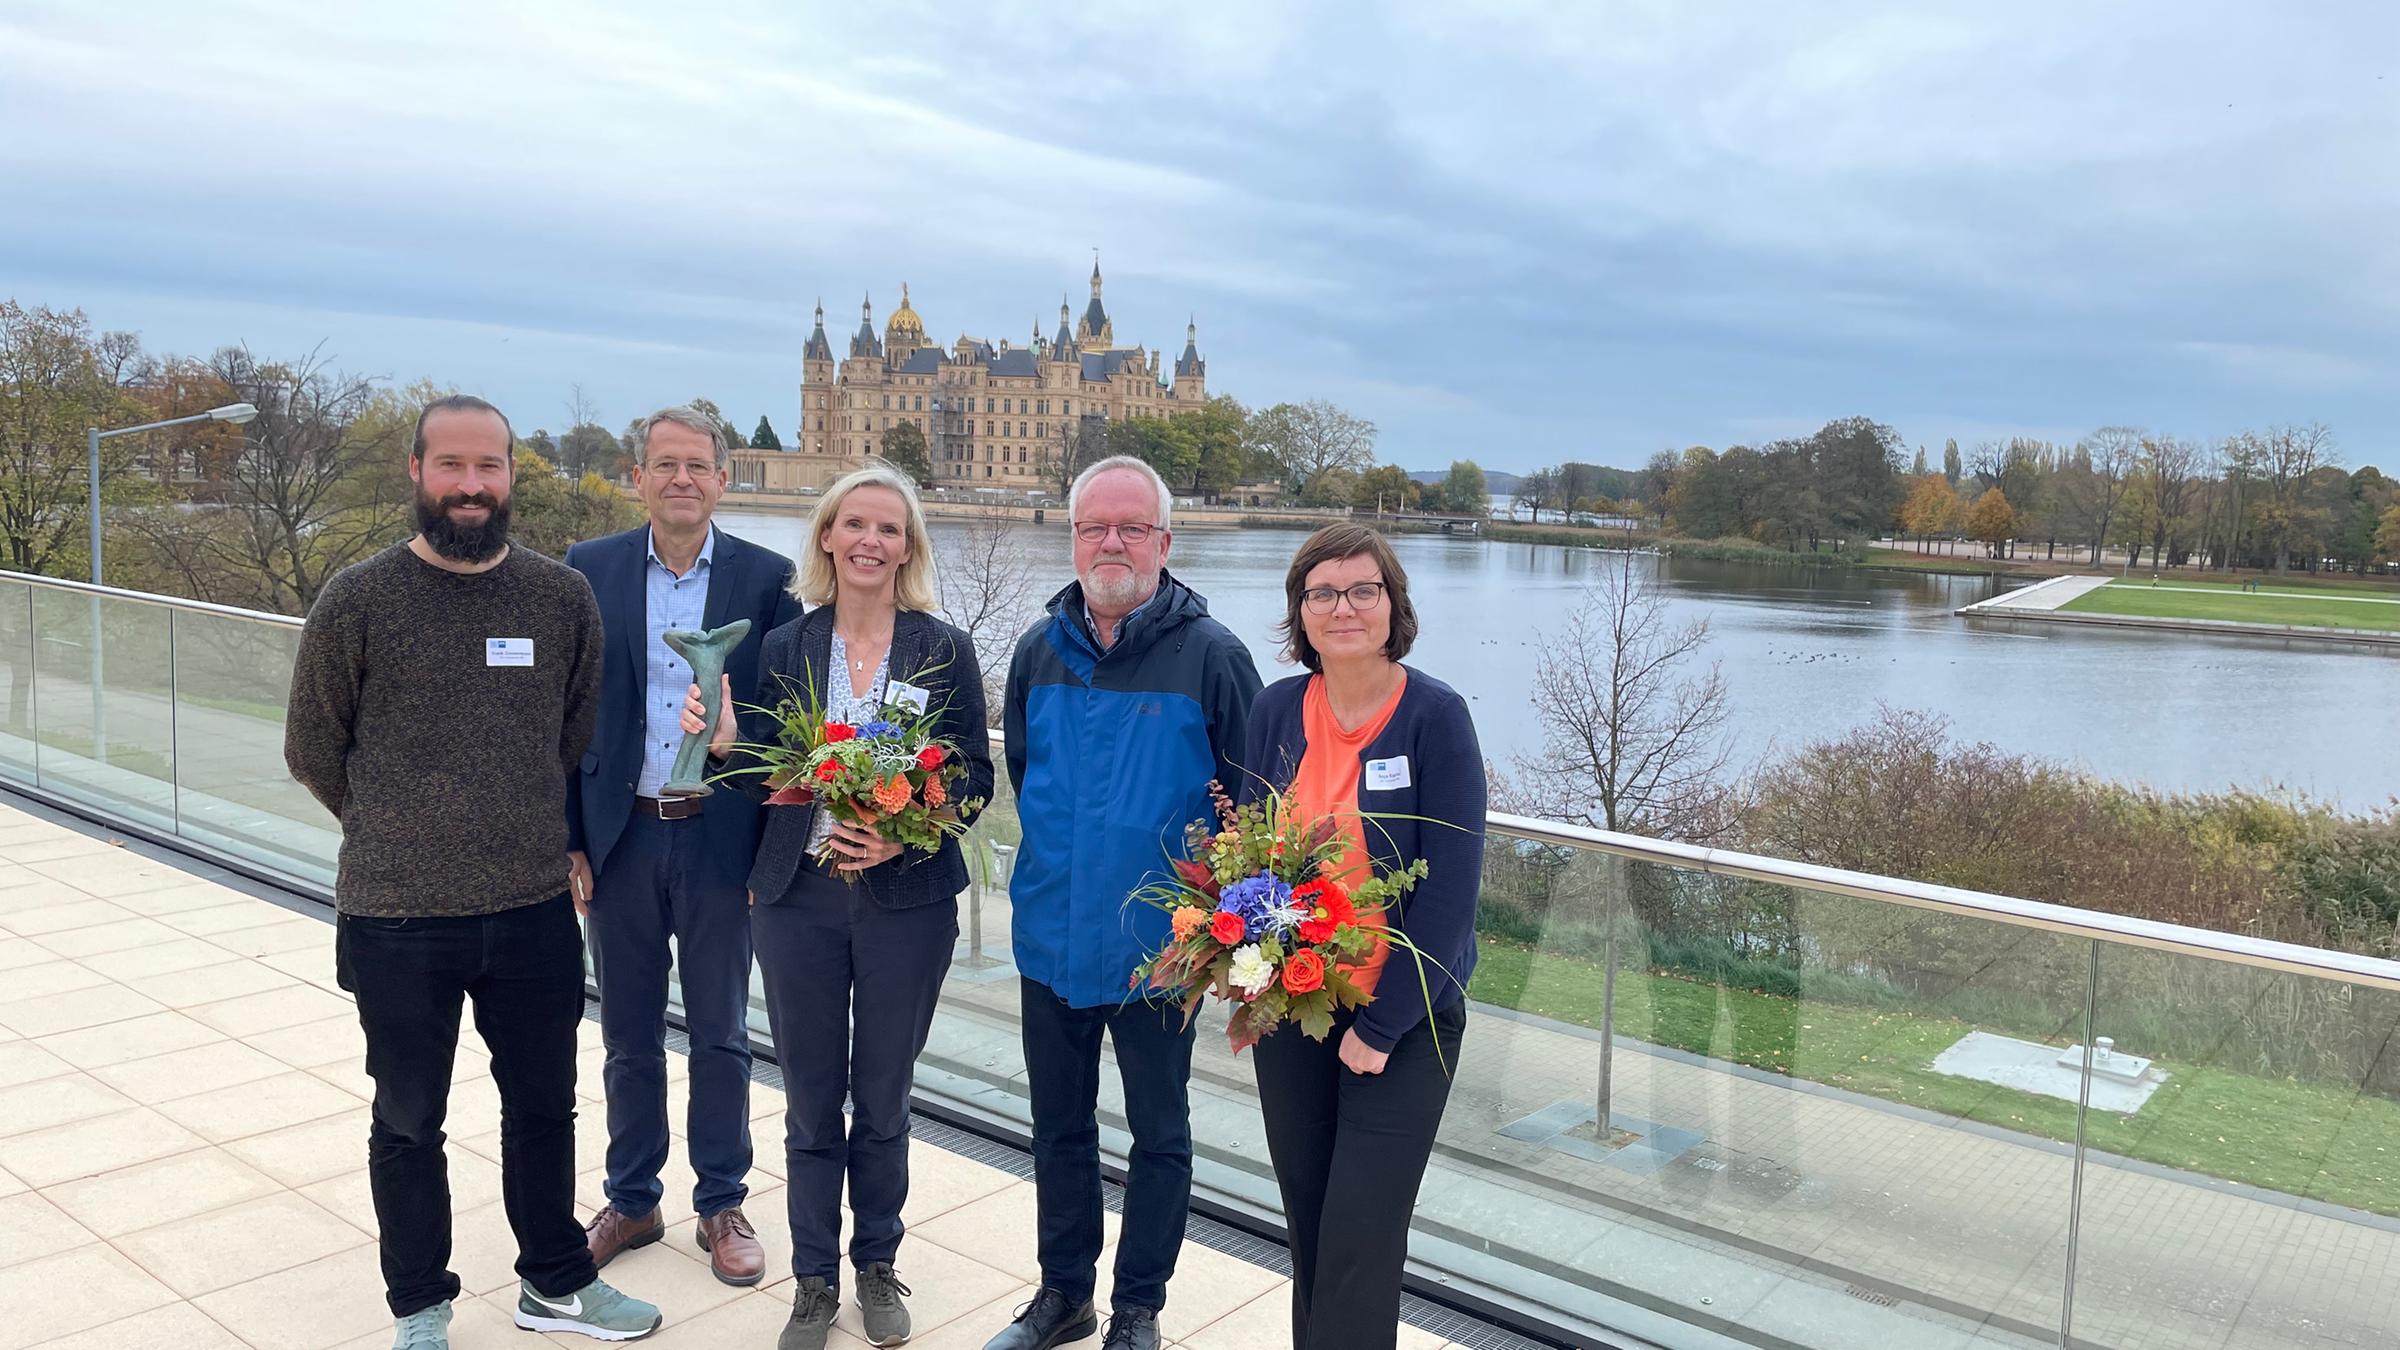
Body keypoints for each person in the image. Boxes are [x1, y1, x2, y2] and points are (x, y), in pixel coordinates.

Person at [284, 395, 662, 1349]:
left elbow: (570, 732)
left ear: (510, 474)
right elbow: (312, 747)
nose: (470, 486)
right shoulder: (357, 600)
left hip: (533, 907)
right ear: (416, 471)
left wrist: (508, 823)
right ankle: (421, 1306)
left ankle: (555, 1285)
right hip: (397, 915)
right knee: (408, 1122)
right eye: (450, 466)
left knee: (543, 1107)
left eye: (487, 466)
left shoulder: (557, 597)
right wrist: (399, 828)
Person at [681, 463, 994, 1350]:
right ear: (825, 536)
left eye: (888, 529)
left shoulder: (942, 648)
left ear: (908, 548)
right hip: (797, 900)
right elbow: (766, 775)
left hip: (906, 903)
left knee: (884, 1097)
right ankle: (814, 1281)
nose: (869, 541)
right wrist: (728, 743)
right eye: (853, 524)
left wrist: (907, 834)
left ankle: (876, 1264)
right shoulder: (787, 645)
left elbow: (973, 773)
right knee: (812, 1102)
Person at [986, 456, 1262, 1350]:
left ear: (1164, 541)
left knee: (1159, 1138)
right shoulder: (1037, 651)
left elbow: (1251, 807)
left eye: (1131, 528)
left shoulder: (1213, 658)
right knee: (1059, 1130)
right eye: (1094, 527)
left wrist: (1219, 933)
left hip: (1163, 954)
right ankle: (1064, 1295)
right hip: (1052, 941)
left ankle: (1138, 1308)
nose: (1111, 543)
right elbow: (1026, 776)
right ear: (1072, 538)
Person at [562, 407, 801, 1285]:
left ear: (722, 479)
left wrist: (768, 852)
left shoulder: (769, 580)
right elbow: (560, 709)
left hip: (718, 841)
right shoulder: (587, 570)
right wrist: (569, 839)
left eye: (697, 466)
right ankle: (632, 1199)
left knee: (721, 1034)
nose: (681, 480)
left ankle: (721, 1202)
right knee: (627, 1032)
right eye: (665, 465)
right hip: (620, 836)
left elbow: (792, 722)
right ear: (639, 477)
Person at [1238, 523, 1486, 1350]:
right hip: (1293, 1005)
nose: (1343, 607)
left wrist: (1380, 1028)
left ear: (1392, 604)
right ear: (1300, 611)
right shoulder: (1275, 709)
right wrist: (1246, 968)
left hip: (1403, 1021)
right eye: (1323, 593)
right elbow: (1245, 850)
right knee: (1311, 1224)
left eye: (1362, 590)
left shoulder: (1435, 717)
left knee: (1360, 1235)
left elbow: (1450, 890)